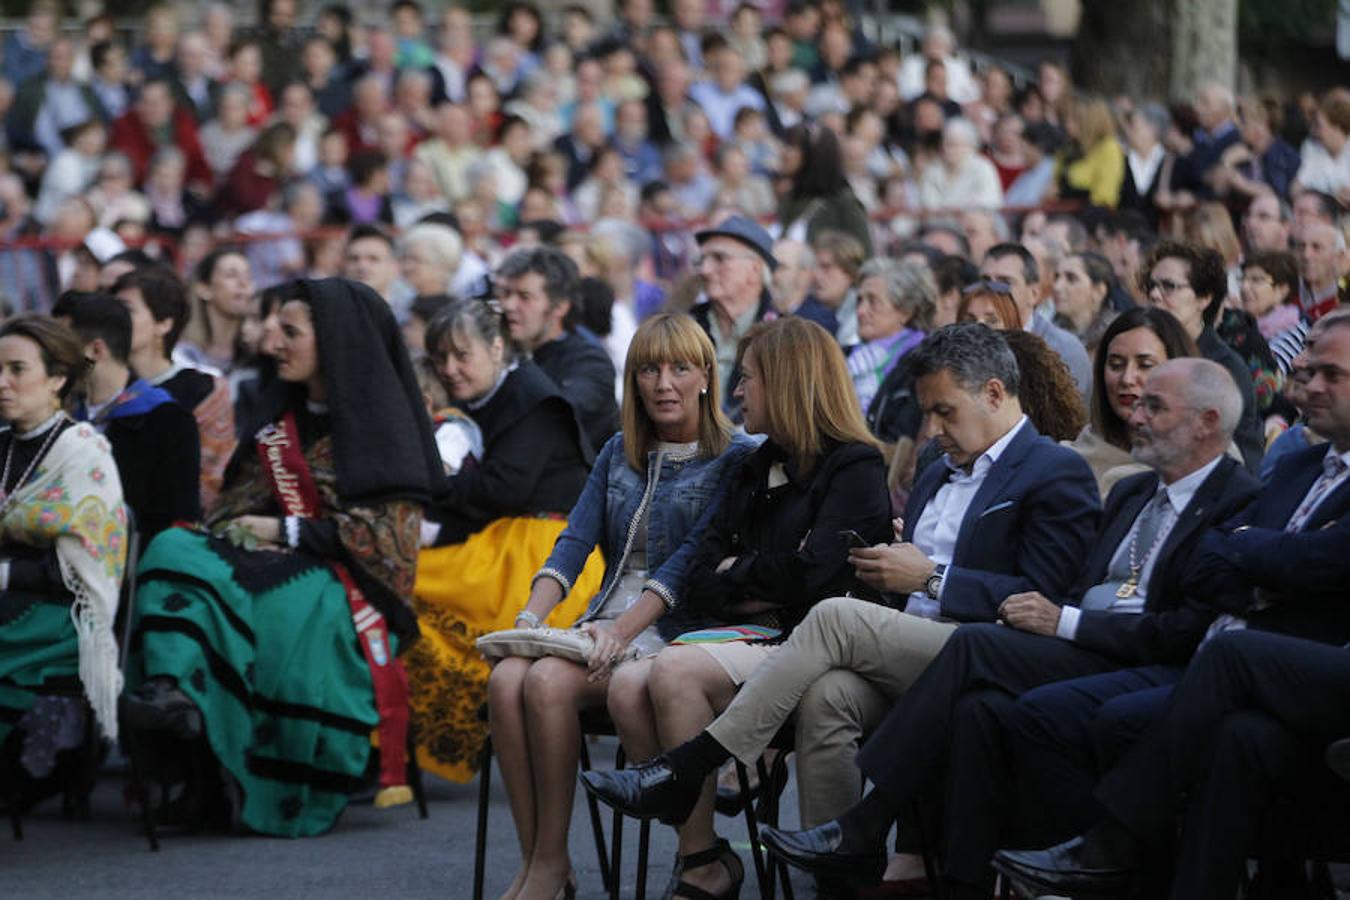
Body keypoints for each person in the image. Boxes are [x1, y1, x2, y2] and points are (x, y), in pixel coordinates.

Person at [581, 325, 1100, 881]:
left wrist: (932, 578)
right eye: (928, 413)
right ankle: (840, 876)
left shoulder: (1054, 469)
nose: (932, 429)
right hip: (904, 648)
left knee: (835, 616)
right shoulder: (933, 467)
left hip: (987, 650)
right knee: (830, 695)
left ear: (995, 394)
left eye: (945, 412)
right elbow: (711, 573)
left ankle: (691, 764)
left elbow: (1044, 599)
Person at [752, 358, 1258, 899]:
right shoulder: (1134, 493)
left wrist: (1058, 619)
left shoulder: (1238, 498)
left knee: (950, 642)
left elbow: (1186, 629)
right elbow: (1072, 585)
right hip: (1074, 640)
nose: (1136, 414)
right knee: (976, 709)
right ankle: (960, 881)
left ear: (1207, 422)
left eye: (1155, 405)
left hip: (1136, 659)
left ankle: (862, 821)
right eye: (1139, 403)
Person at [994, 315, 1350, 900]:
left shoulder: (1248, 476)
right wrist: (1271, 557)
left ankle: (1109, 845)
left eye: (1330, 374)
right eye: (1311, 371)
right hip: (1257, 673)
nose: (1308, 387)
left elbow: (1325, 562)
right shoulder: (1297, 466)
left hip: (1305, 661)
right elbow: (1215, 557)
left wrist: (1265, 555)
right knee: (1232, 736)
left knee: (1228, 658)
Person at [121, 278, 444, 836]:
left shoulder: (382, 427)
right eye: (273, 330)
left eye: (290, 332)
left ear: (337, 343)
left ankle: (241, 774)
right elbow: (230, 508)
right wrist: (249, 534)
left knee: (274, 606)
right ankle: (177, 704)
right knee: (172, 544)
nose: (273, 344)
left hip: (348, 589)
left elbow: (386, 543)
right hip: (268, 565)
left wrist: (286, 529)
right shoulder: (279, 422)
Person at [608, 317, 891, 900]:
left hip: (817, 646)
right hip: (747, 633)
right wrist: (761, 576)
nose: (737, 392)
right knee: (628, 683)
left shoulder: (856, 465)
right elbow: (699, 577)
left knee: (670, 670)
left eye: (749, 378)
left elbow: (820, 578)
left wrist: (741, 571)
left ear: (787, 384)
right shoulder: (752, 465)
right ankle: (701, 857)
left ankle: (696, 841)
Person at [487, 314, 754, 900]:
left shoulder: (737, 455)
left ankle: (558, 865)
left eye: (680, 368)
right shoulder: (617, 450)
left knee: (545, 686)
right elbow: (574, 543)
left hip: (683, 628)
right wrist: (530, 620)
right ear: (632, 382)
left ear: (707, 376)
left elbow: (687, 563)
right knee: (507, 676)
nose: (663, 383)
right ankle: (543, 863)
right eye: (649, 370)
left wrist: (618, 632)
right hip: (610, 619)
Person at [405, 299, 599, 784]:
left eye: (461, 355)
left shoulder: (534, 400)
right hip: (504, 540)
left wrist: (427, 476)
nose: (450, 369)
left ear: (496, 347)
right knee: (394, 579)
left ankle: (455, 716)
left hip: (547, 551)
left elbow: (500, 489)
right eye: (440, 358)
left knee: (405, 584)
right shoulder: (481, 401)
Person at [0, 315, 127, 803]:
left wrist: (6, 573)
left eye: (17, 369)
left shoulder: (84, 454)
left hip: (63, 615)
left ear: (56, 379)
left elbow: (83, 569)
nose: (3, 382)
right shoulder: (3, 445)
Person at [53, 292, 201, 541]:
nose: (53, 361)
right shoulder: (59, 415)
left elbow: (177, 521)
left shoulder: (168, 420)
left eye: (62, 350)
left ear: (95, 351)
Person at [112, 266, 235, 509]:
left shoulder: (204, 390)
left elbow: (211, 479)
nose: (113, 321)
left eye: (127, 311)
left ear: (164, 323)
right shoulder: (101, 388)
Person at [1140, 240, 1265, 471]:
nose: (1155, 295)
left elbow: (1237, 457)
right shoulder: (1144, 354)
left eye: (1169, 286)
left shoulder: (1223, 369)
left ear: (1204, 298)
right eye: (1151, 286)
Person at [494, 247, 619, 459]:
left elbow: (559, 415)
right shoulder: (499, 353)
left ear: (559, 306)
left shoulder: (589, 362)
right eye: (505, 294)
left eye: (524, 297)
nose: (508, 305)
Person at [1064, 307, 1201, 496]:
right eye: (1116, 365)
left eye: (1145, 365)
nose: (1127, 379)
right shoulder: (1072, 460)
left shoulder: (1207, 457)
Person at [687, 216, 781, 421]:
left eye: (719, 259)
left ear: (754, 270)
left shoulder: (781, 334)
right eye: (702, 260)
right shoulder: (686, 326)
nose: (705, 270)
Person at [981, 242, 1093, 398]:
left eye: (1005, 282)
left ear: (1033, 294)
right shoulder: (970, 340)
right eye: (986, 280)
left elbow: (1068, 419)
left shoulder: (1062, 351)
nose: (992, 289)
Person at [778, 125, 873, 255]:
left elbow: (865, 256)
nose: (784, 152)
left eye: (793, 146)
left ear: (814, 154)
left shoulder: (844, 204)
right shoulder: (790, 199)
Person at [175, 248, 256, 380]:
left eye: (248, 276)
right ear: (204, 289)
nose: (243, 283)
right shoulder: (182, 353)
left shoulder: (258, 352)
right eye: (231, 275)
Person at [1052, 251, 1120, 356]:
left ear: (1098, 291)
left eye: (1071, 278)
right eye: (1056, 277)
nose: (1057, 286)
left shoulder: (1117, 335)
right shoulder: (1048, 332)